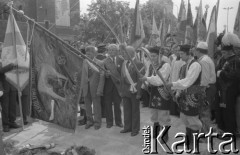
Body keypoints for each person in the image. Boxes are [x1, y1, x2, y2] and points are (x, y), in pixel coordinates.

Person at [167, 44, 205, 149]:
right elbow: (182, 80)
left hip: (193, 97)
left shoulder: (195, 65)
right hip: (184, 96)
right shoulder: (184, 65)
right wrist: (177, 93)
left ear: (189, 54)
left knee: (193, 119)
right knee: (185, 118)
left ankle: (194, 143)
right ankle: (189, 141)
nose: (180, 56)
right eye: (179, 53)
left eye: (182, 54)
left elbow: (188, 81)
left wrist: (173, 84)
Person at [140, 46, 171, 143]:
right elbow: (147, 75)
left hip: (162, 92)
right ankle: (156, 131)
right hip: (153, 92)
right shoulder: (150, 65)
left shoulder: (165, 65)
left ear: (159, 55)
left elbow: (159, 80)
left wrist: (147, 79)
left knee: (163, 114)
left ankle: (165, 134)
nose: (152, 58)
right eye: (150, 56)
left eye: (153, 56)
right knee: (154, 112)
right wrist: (143, 84)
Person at [215, 33, 240, 136]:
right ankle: (224, 131)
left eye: (224, 52)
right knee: (222, 111)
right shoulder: (224, 59)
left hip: (230, 90)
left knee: (229, 112)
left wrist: (222, 73)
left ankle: (231, 133)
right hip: (222, 90)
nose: (223, 54)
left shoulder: (235, 60)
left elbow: (234, 75)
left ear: (230, 52)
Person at [120, 45, 144, 136]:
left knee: (135, 111)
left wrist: (139, 93)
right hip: (125, 91)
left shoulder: (139, 63)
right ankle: (127, 127)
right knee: (126, 110)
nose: (123, 54)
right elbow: (122, 78)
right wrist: (121, 90)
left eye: (125, 53)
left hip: (134, 91)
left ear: (131, 53)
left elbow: (140, 80)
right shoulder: (124, 63)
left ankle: (135, 129)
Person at [79, 46, 105, 130]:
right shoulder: (84, 62)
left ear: (95, 54)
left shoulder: (100, 63)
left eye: (90, 53)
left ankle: (97, 122)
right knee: (87, 106)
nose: (88, 55)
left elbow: (102, 77)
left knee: (96, 106)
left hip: (95, 88)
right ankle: (89, 121)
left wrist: (100, 89)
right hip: (86, 88)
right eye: (87, 53)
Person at [193, 42, 217, 133]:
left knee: (204, 111)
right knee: (204, 110)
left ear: (198, 51)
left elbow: (205, 79)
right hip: (208, 87)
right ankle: (205, 131)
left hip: (207, 88)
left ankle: (206, 134)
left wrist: (199, 91)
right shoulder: (206, 59)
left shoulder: (203, 61)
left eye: (195, 50)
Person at [103, 44, 123, 128]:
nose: (111, 51)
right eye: (110, 50)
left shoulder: (121, 60)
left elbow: (124, 73)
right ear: (108, 51)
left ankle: (119, 122)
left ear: (117, 51)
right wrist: (106, 74)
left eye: (113, 50)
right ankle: (109, 122)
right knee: (108, 105)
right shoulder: (104, 61)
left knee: (117, 105)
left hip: (118, 86)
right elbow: (102, 74)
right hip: (108, 85)